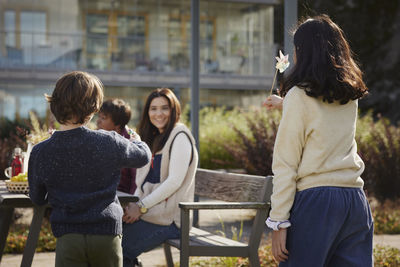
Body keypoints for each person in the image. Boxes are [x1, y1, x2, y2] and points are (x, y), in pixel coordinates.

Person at [263, 15, 373, 266]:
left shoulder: (299, 96)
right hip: (354, 201)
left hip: (317, 202)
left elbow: (286, 163)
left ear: (305, 51)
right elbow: (324, 121)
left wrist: (279, 221)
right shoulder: (349, 94)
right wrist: (285, 104)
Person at [28, 71, 152, 267]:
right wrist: (138, 141)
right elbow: (143, 156)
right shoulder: (108, 141)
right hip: (106, 234)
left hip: (68, 237)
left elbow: (37, 198)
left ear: (55, 103)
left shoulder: (41, 152)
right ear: (94, 107)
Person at [122, 88, 198, 267]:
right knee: (108, 238)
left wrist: (140, 207)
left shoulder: (180, 137)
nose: (158, 113)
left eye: (165, 108)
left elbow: (174, 182)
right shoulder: (157, 137)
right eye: (153, 108)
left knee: (118, 247)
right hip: (153, 214)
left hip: (171, 221)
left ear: (174, 110)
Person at [97, 98, 139, 194]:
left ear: (118, 125)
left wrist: (132, 202)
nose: (98, 121)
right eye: (98, 117)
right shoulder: (98, 138)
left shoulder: (131, 143)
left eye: (103, 118)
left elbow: (136, 180)